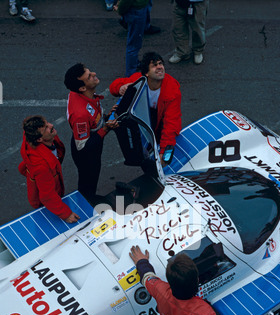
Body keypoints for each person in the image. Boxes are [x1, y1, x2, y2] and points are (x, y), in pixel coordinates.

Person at [109, 51, 182, 160]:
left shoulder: (172, 90)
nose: (159, 67)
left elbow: (171, 122)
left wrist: (164, 150)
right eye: (154, 65)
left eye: (161, 64)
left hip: (159, 121)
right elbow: (113, 86)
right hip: (143, 119)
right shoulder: (138, 79)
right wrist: (120, 88)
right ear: (146, 73)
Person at [64, 63, 118, 206]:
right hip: (86, 152)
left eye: (90, 71)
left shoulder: (82, 94)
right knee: (88, 180)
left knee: (91, 178)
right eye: (89, 76)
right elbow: (84, 147)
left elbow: (93, 118)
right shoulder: (80, 115)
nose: (94, 73)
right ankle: (87, 205)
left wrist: (106, 117)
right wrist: (106, 128)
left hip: (90, 136)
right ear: (82, 88)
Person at [18, 116, 80, 224]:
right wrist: (66, 214)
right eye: (46, 127)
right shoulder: (41, 167)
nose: (51, 125)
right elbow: (47, 197)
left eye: (47, 123)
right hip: (46, 201)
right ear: (39, 139)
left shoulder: (34, 135)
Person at [113, 0, 149, 77]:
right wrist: (120, 10)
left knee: (135, 42)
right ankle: (131, 75)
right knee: (134, 45)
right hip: (136, 11)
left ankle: (134, 64)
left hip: (137, 9)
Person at [169, 0, 209, 65]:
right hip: (178, 2)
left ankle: (198, 51)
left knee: (197, 28)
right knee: (178, 27)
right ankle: (182, 52)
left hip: (197, 2)